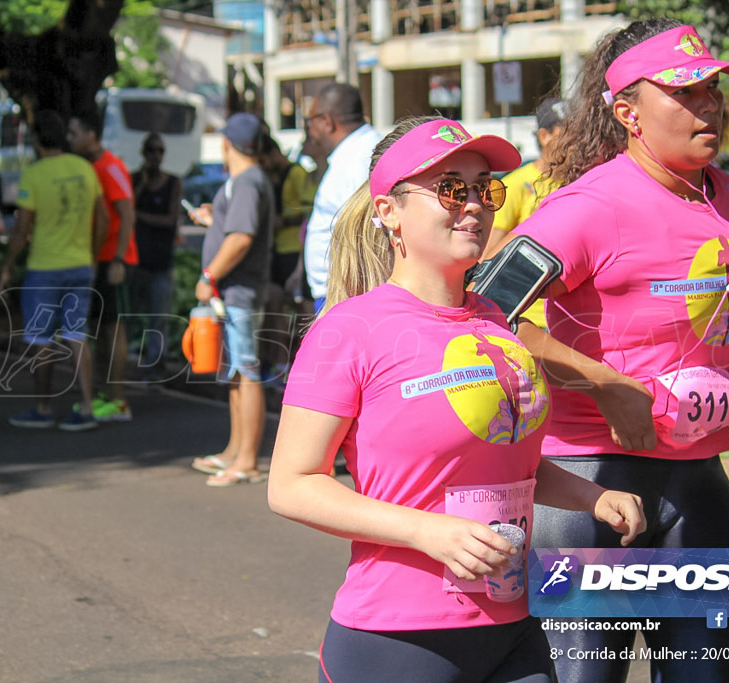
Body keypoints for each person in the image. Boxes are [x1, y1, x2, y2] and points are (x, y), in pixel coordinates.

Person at [268, 116, 645, 683]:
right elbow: (292, 485)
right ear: (388, 211)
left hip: (512, 624)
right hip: (399, 638)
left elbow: (504, 465)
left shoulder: (496, 322)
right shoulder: (349, 330)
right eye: (450, 188)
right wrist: (427, 530)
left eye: (484, 187)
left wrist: (593, 497)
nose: (473, 204)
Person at [494, 20, 729, 682]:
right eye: (685, 92)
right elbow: (487, 311)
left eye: (713, 90)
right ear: (628, 113)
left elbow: (710, 309)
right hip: (585, 486)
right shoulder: (589, 205)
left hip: (696, 482)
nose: (708, 106)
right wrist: (602, 382)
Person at [0, 110, 108, 431]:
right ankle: (87, 407)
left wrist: (7, 264)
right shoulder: (84, 168)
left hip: (44, 268)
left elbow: (22, 227)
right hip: (80, 265)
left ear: (36, 141)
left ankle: (44, 408)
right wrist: (92, 252)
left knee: (40, 339)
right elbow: (102, 216)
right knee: (77, 335)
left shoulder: (34, 174)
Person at [188, 113, 276, 486]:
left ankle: (246, 460)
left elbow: (240, 238)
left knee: (245, 371)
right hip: (236, 291)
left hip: (238, 290)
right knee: (236, 373)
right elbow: (236, 229)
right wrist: (215, 220)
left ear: (227, 144)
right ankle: (235, 452)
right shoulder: (245, 182)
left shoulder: (246, 182)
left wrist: (209, 276)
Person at [68, 109, 138, 421]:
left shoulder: (110, 166)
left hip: (114, 260)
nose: (70, 140)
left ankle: (119, 401)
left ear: (90, 135)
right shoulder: (91, 167)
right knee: (100, 330)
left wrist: (119, 259)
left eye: (74, 133)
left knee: (114, 329)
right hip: (98, 258)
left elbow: (127, 214)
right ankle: (103, 395)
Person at [302, 83, 381, 314]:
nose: (310, 131)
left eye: (310, 122)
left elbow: (370, 230)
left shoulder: (360, 158)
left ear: (327, 121)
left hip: (349, 296)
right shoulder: (353, 154)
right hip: (340, 294)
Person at [257, 129, 315, 380]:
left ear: (273, 154)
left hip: (295, 251)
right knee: (275, 306)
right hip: (275, 252)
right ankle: (279, 365)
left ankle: (309, 362)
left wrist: (284, 220)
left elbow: (309, 211)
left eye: (264, 160)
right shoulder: (268, 177)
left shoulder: (296, 173)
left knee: (303, 307)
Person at [130, 132, 183, 381]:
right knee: (130, 315)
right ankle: (129, 359)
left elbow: (171, 219)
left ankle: (156, 365)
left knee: (158, 317)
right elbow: (126, 210)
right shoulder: (135, 180)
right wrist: (141, 183)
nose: (156, 156)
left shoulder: (173, 182)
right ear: (144, 153)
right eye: (151, 150)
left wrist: (141, 217)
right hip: (135, 260)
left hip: (161, 260)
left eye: (160, 151)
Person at [484, 97, 567, 255]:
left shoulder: (581, 181)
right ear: (544, 136)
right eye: (568, 134)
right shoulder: (515, 184)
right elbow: (488, 257)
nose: (578, 141)